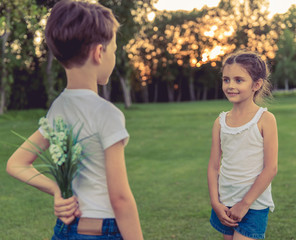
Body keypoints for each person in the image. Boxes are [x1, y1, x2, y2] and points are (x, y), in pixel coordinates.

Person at [6, 0, 143, 239]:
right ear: (99, 53)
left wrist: (57, 190)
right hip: (103, 230)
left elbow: (16, 163)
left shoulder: (58, 108)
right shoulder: (107, 114)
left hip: (65, 230)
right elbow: (120, 199)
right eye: (113, 49)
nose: (113, 54)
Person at [207, 51, 278, 240]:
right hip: (225, 203)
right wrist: (215, 202)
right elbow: (214, 167)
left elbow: (271, 169)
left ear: (256, 84)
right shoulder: (220, 121)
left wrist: (244, 204)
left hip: (252, 204)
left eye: (239, 80)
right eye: (226, 79)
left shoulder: (265, 119)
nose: (230, 86)